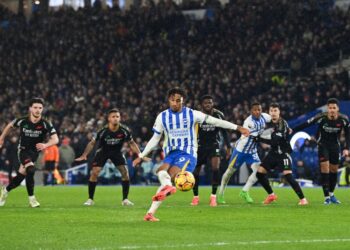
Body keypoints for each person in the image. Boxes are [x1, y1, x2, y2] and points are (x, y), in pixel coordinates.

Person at [132, 87, 249, 221]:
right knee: (160, 172)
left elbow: (216, 121)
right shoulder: (162, 117)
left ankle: (168, 188)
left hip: (188, 153)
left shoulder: (192, 114)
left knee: (171, 175)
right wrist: (141, 156)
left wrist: (238, 127)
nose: (176, 103)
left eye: (179, 101)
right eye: (173, 100)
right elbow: (155, 138)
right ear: (169, 100)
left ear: (183, 101)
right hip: (171, 153)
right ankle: (150, 213)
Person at [76, 108, 143, 206]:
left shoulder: (125, 130)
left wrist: (140, 154)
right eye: (113, 117)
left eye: (117, 117)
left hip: (116, 152)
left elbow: (132, 143)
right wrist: (84, 155)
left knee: (125, 173)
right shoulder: (103, 130)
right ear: (109, 119)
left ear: (120, 118)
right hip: (103, 151)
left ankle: (125, 200)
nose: (115, 118)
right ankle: (90, 199)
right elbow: (92, 143)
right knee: (94, 173)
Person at [0, 98, 59, 207]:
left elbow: (56, 139)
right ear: (30, 108)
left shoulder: (45, 123)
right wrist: (2, 138)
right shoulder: (23, 121)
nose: (38, 110)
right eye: (35, 107)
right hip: (23, 150)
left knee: (20, 176)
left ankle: (6, 190)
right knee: (31, 169)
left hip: (34, 153)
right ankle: (32, 200)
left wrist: (45, 145)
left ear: (42, 109)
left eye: (40, 108)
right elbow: (10, 125)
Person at [293, 98, 349, 204]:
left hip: (335, 147)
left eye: (334, 108)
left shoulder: (344, 119)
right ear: (327, 109)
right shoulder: (321, 117)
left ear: (338, 109)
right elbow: (306, 123)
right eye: (330, 108)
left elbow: (348, 135)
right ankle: (326, 197)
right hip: (323, 145)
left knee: (333, 171)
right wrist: (293, 129)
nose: (332, 110)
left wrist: (346, 148)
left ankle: (332, 194)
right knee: (325, 169)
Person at [217, 102, 271, 204]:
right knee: (229, 173)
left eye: (259, 110)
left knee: (259, 172)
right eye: (255, 110)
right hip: (240, 151)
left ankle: (244, 191)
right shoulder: (248, 122)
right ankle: (221, 193)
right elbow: (254, 137)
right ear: (251, 111)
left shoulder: (265, 117)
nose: (257, 112)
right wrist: (268, 137)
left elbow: (274, 119)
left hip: (252, 151)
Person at [255, 103, 308, 205]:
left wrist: (259, 139)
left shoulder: (282, 124)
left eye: (275, 111)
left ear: (279, 112)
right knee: (260, 173)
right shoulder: (269, 122)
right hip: (273, 153)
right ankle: (271, 195)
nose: (273, 113)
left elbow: (274, 141)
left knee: (288, 176)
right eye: (271, 111)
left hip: (283, 153)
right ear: (269, 112)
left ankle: (303, 199)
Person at [191, 95, 231, 207]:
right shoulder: (197, 116)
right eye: (206, 103)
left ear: (212, 104)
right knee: (195, 172)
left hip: (214, 145)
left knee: (215, 168)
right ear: (202, 105)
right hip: (200, 146)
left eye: (210, 103)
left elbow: (224, 131)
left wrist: (228, 147)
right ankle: (195, 197)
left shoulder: (218, 115)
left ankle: (213, 197)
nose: (208, 105)